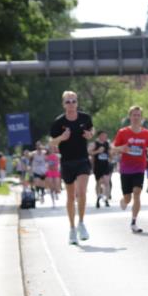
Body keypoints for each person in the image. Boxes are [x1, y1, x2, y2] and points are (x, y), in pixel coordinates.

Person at [49, 91, 95, 244]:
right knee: (70, 197)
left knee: (81, 192)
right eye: (68, 102)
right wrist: (62, 138)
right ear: (63, 104)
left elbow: (91, 130)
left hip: (82, 160)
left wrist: (90, 135)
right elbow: (52, 143)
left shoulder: (85, 118)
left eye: (73, 101)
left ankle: (81, 223)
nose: (71, 104)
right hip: (67, 162)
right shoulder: (58, 122)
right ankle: (72, 228)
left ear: (77, 103)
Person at [112, 106, 148, 233]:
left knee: (137, 193)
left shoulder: (146, 133)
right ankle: (124, 201)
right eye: (133, 115)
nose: (136, 117)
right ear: (130, 117)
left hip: (139, 168)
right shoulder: (123, 132)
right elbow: (114, 148)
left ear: (142, 117)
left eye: (138, 115)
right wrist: (121, 148)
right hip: (125, 169)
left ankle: (134, 221)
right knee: (128, 198)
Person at [90, 131, 113, 208]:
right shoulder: (95, 144)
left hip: (106, 165)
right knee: (98, 182)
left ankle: (106, 199)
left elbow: (111, 152)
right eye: (103, 135)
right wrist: (98, 151)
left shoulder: (107, 144)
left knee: (107, 181)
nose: (104, 137)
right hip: (97, 166)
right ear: (99, 136)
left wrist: (111, 156)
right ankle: (98, 197)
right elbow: (89, 152)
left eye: (105, 136)